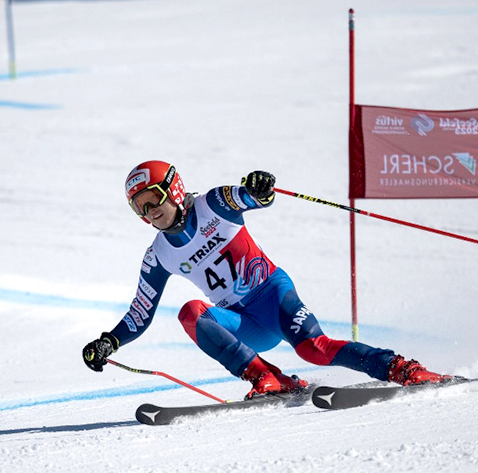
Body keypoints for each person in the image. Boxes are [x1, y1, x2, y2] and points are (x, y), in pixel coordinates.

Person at [83, 161, 452, 399]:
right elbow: (139, 314)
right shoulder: (158, 255)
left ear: (174, 191)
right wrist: (109, 342)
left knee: (314, 349)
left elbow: (252, 197)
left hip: (272, 294)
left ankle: (401, 368)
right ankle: (268, 377)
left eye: (153, 200)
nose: (150, 213)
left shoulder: (213, 204)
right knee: (191, 313)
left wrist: (259, 188)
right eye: (139, 207)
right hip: (242, 322)